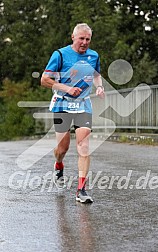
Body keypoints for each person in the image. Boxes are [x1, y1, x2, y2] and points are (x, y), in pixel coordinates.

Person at [41, 23, 104, 203]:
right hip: (62, 104)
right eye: (81, 39)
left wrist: (99, 87)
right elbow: (44, 80)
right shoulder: (60, 55)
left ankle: (81, 190)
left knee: (83, 145)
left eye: (88, 39)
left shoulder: (94, 56)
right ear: (73, 37)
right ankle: (59, 164)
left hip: (83, 105)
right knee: (63, 148)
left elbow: (97, 74)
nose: (84, 42)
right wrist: (67, 89)